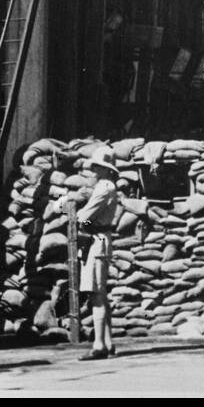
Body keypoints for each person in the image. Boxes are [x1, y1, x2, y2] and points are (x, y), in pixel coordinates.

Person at [67, 146, 120, 361]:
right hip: (100, 239)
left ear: (108, 170)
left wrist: (78, 216)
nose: (96, 170)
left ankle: (98, 345)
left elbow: (84, 216)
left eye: (99, 166)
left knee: (96, 295)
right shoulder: (106, 186)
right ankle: (107, 341)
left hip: (97, 242)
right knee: (101, 295)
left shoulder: (104, 187)